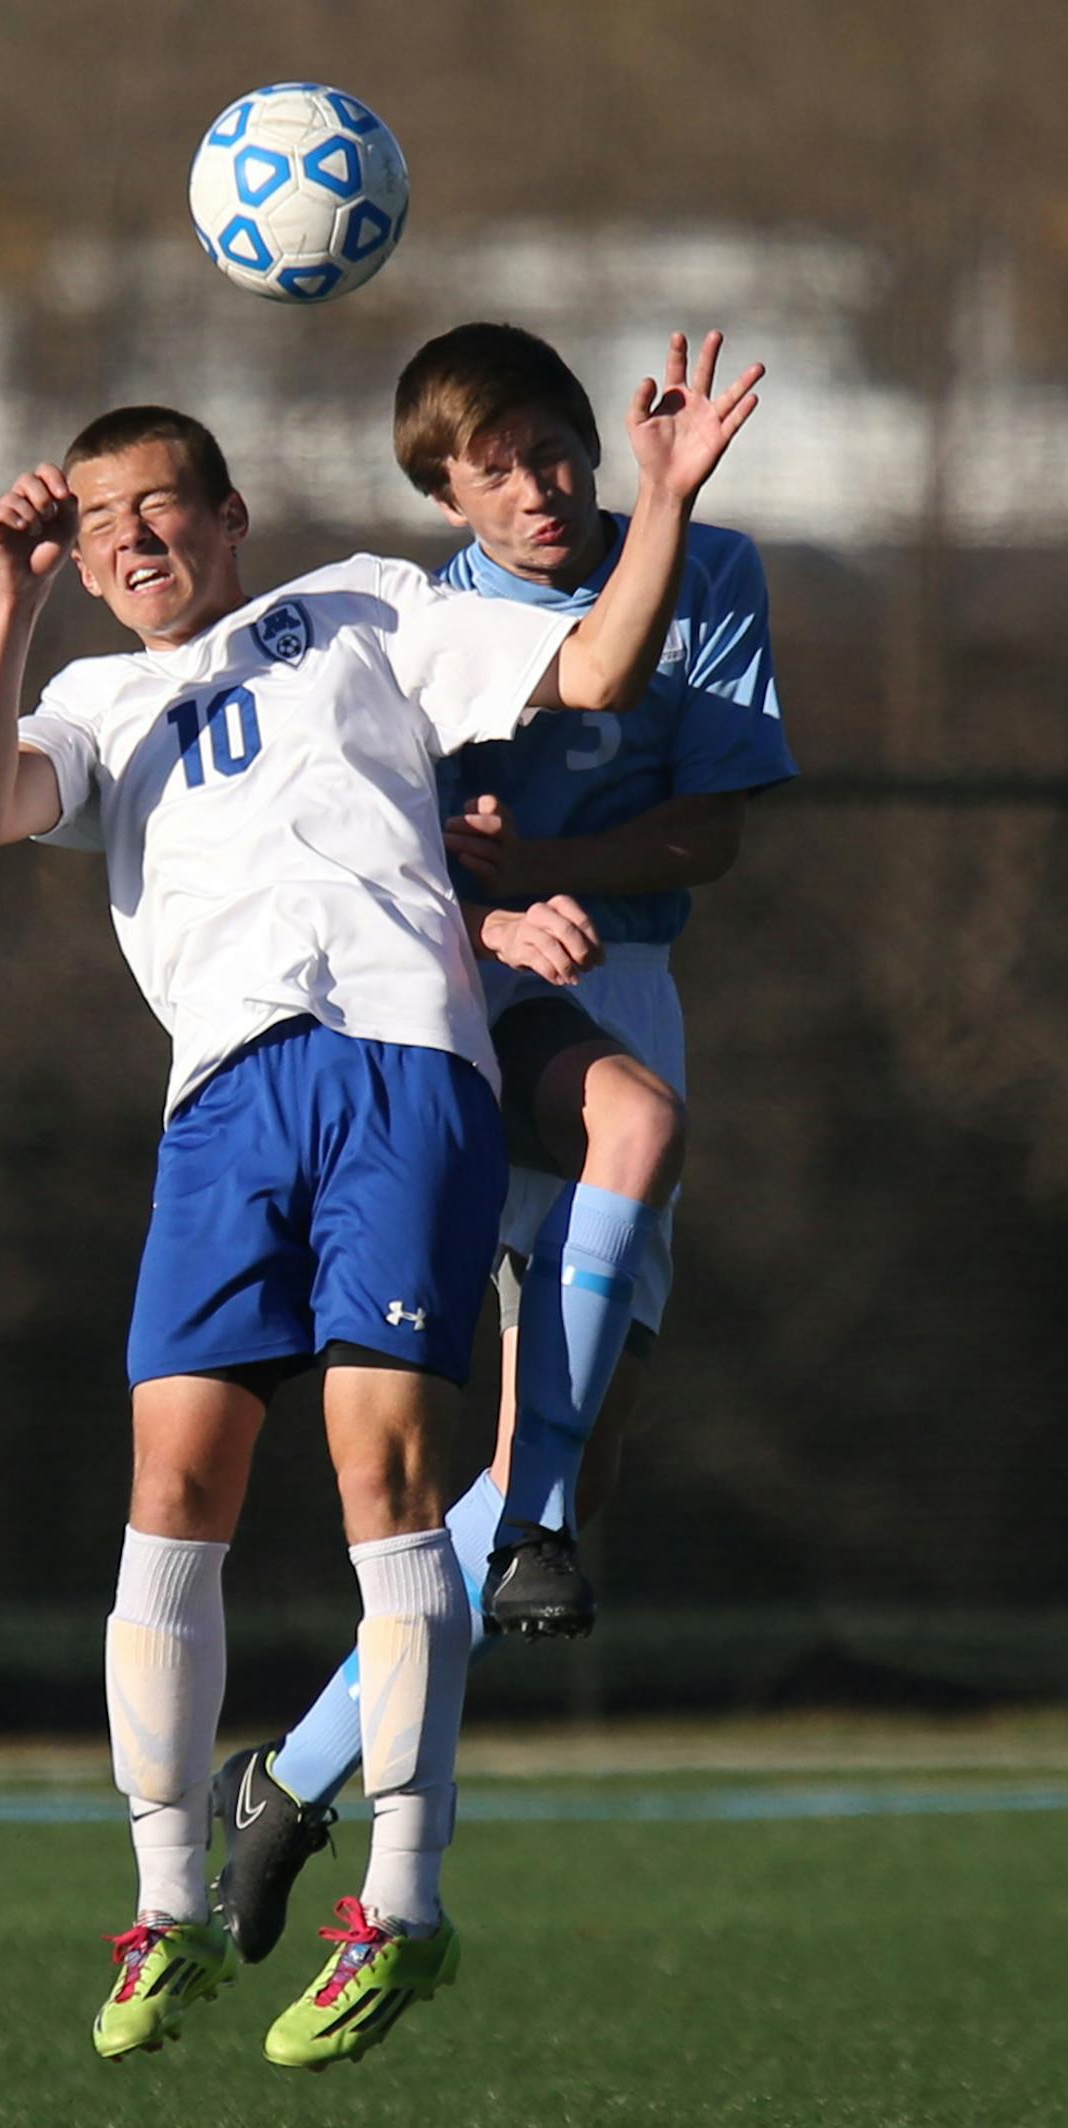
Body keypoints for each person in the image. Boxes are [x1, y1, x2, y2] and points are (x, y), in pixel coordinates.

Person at [0, 333, 761, 2070]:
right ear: (75, 554)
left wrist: (667, 505)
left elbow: (594, 675)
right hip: (222, 1098)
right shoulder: (91, 700)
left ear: (232, 514)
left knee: (382, 1471)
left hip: (398, 1064)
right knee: (174, 1482)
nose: (132, 532)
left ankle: (400, 1899)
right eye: (96, 519)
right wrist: (3, 602)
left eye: (163, 498)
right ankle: (164, 1906)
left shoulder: (363, 611)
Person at [214, 321, 795, 1967]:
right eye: (498, 467)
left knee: (576, 1462)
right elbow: (387, 847)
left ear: (598, 448)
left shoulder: (710, 567)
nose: (540, 486)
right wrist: (487, 905)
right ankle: (392, 1802)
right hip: (459, 1015)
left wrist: (547, 859)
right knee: (623, 1157)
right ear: (445, 491)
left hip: (627, 976)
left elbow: (715, 831)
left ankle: (292, 1776)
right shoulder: (420, 625)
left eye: (558, 450)